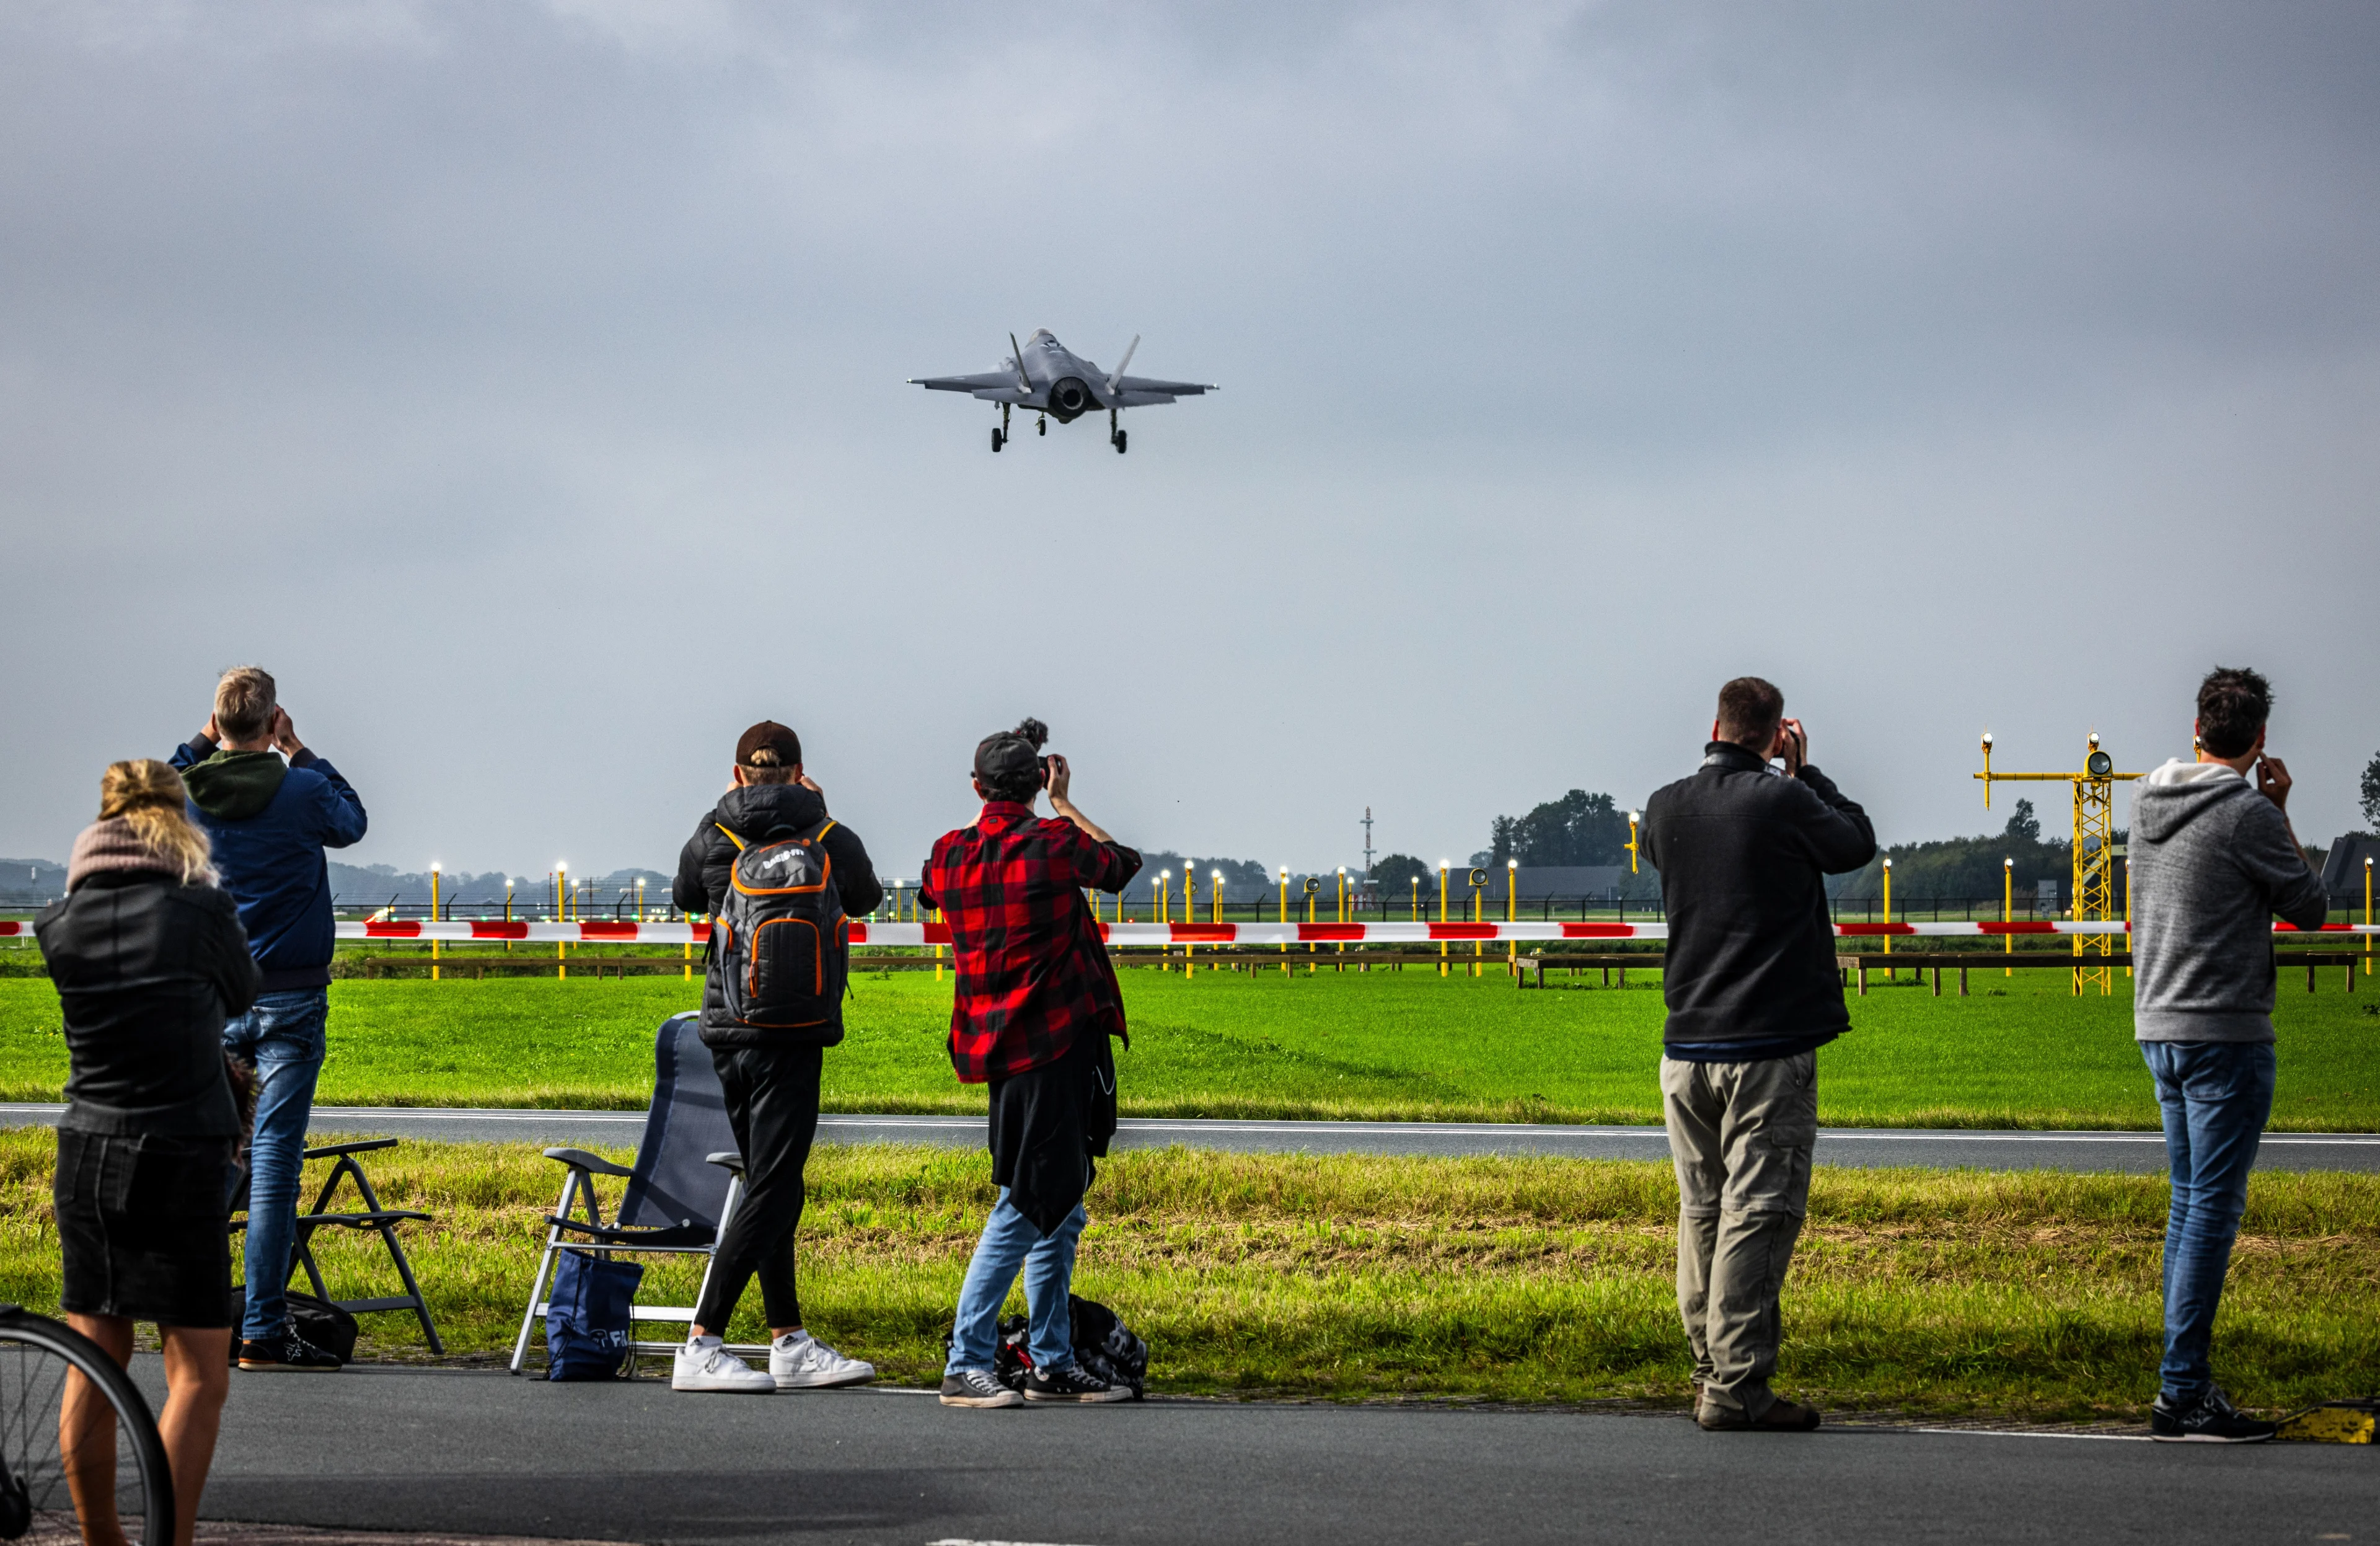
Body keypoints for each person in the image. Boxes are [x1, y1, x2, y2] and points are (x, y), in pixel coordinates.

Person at [1639, 677, 1874, 1432]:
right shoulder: (1782, 799)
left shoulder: (1665, 805)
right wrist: (1805, 773)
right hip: (1766, 1044)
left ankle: (1709, 1369)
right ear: (1775, 734)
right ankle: (1739, 1388)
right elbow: (1854, 841)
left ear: (1713, 725)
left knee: (1702, 1209)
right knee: (1758, 1211)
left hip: (1687, 1045)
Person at [37, 761, 258, 1546]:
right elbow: (242, 991)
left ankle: (100, 1538)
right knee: (198, 1371)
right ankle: (169, 1538)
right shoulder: (201, 912)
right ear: (178, 821)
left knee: (94, 1355)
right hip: (181, 1150)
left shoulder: (58, 923)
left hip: (86, 1147)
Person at [2130, 667, 2329, 1442]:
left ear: (2197, 728)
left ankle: (2180, 1387)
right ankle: (2183, 1390)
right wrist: (2281, 813)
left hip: (2161, 1026)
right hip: (2225, 1030)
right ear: (2261, 739)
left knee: (2189, 1204)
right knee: (2212, 1210)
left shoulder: (2148, 799)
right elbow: (2309, 906)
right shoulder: (2246, 813)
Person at [923, 718, 1142, 1409]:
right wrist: (1065, 803)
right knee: (1025, 1205)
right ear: (1039, 783)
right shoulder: (1054, 843)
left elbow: (935, 885)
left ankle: (1050, 1359)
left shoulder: (948, 854)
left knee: (1061, 1206)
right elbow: (1120, 864)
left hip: (997, 1051)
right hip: (1057, 1048)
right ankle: (967, 1358)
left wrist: (1000, 790)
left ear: (976, 787)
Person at [668, 720, 884, 1393]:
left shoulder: (715, 833)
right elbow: (868, 897)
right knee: (772, 1185)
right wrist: (821, 812)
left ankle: (786, 1338)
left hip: (730, 1030)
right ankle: (702, 1341)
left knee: (771, 1182)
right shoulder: (826, 834)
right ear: (798, 772)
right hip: (795, 1032)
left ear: (737, 775)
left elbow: (684, 898)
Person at [170, 666, 367, 1372]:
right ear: (274, 719)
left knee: (217, 1158)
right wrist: (300, 749)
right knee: (274, 1165)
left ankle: (185, 1313)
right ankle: (261, 1327)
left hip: (216, 1001)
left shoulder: (188, 795)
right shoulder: (302, 788)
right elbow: (353, 820)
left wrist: (201, 741)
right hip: (292, 997)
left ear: (218, 723)